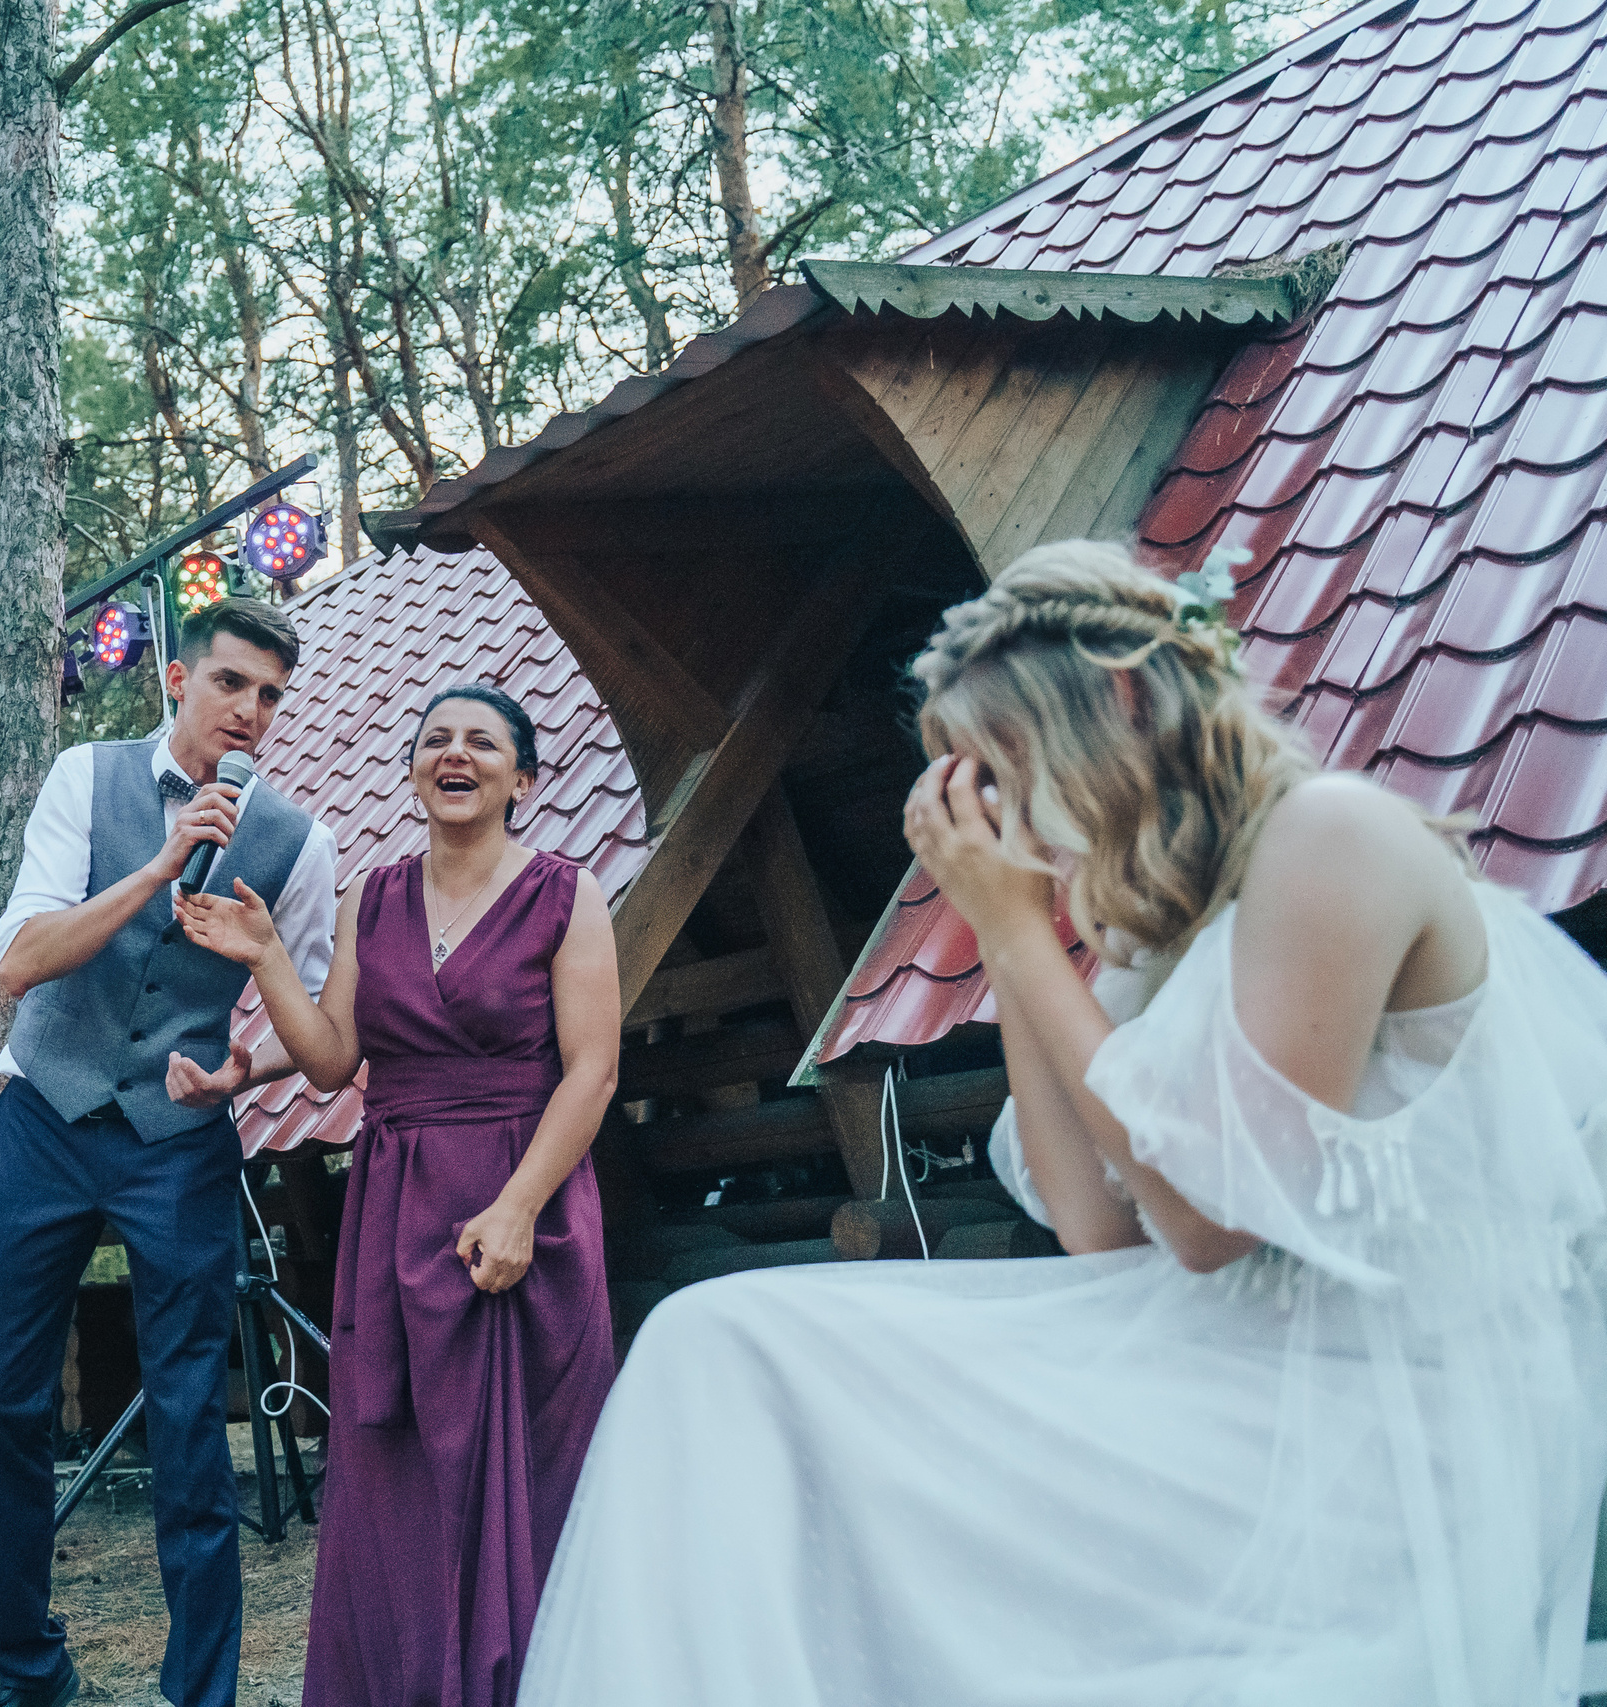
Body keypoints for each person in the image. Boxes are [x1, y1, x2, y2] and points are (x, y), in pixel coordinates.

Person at [517, 541, 1607, 1706]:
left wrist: (1026, 937)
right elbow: (1095, 1227)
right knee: (707, 1344)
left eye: (1001, 765)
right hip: (1224, 1362)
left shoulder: (1330, 838)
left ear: (1124, 696)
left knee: (736, 1356)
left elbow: (1204, 1223)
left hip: (1365, 1420)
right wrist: (1007, 933)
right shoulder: (1168, 935)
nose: (1003, 817)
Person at [176, 682, 621, 1707]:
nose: (454, 756)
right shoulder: (368, 897)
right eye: (434, 742)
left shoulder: (566, 892)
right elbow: (331, 1062)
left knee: (527, 1467)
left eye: (481, 743)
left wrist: (516, 1208)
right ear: (415, 770)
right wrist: (268, 960)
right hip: (395, 1207)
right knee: (397, 1464)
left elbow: (590, 1073)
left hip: (525, 1204)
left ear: (524, 775)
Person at [0, 596, 339, 1707]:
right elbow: (17, 962)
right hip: (45, 1117)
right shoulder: (84, 779)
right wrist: (158, 867)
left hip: (176, 1144)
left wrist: (241, 1073)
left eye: (270, 695)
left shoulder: (297, 843)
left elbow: (312, 1015)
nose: (251, 711)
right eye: (231, 683)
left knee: (191, 1426)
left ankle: (202, 1694)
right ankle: (30, 1673)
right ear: (176, 681)